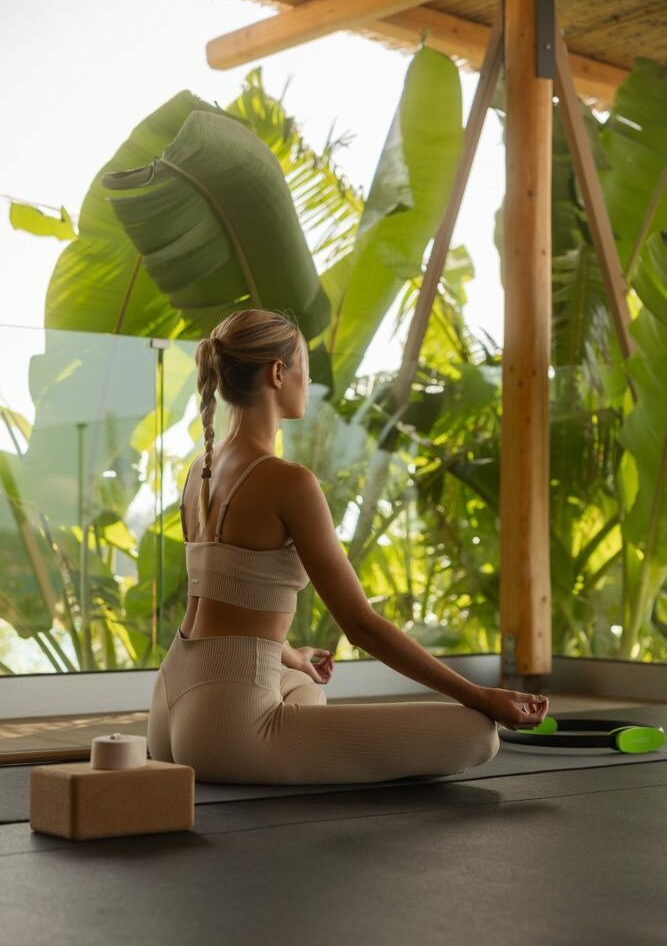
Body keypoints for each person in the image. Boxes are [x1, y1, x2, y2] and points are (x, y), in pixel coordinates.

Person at [147, 308, 549, 784]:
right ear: (278, 373)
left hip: (170, 710)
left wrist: (293, 656)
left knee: (303, 686)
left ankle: (281, 690)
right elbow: (362, 626)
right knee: (479, 736)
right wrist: (478, 696)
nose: (307, 380)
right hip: (226, 729)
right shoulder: (288, 482)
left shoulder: (200, 471)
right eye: (304, 368)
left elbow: (222, 604)